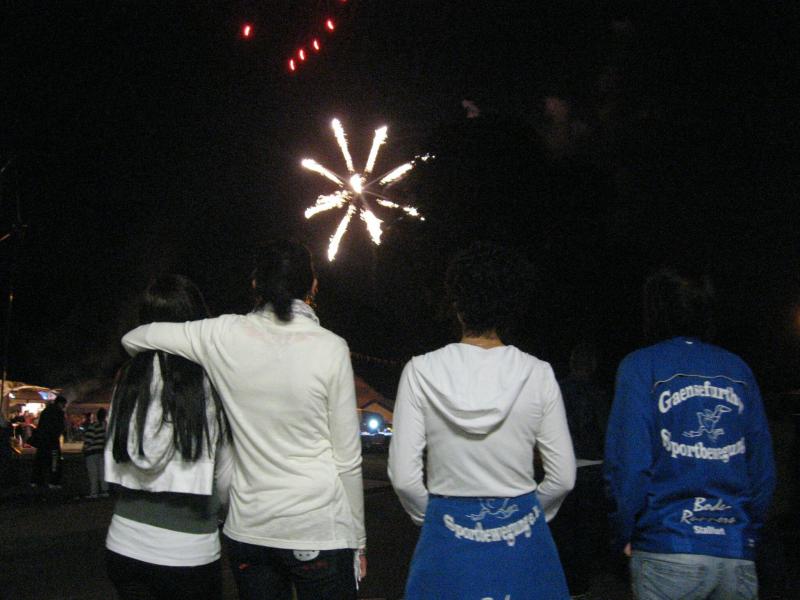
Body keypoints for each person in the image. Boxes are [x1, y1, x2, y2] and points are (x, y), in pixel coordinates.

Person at [121, 240, 366, 600]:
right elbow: (347, 459)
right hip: (317, 527)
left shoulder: (222, 334)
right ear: (312, 285)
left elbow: (135, 338)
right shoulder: (330, 347)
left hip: (249, 531)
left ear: (256, 284)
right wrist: (357, 540)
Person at [388, 241, 576, 600]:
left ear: (456, 305)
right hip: (523, 543)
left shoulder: (420, 371)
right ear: (508, 307)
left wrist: (436, 520)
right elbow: (563, 477)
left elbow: (404, 479)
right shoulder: (537, 373)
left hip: (446, 544)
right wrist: (528, 513)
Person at [604, 267, 777, 600]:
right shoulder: (738, 370)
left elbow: (630, 464)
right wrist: (748, 535)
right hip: (735, 550)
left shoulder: (641, 366)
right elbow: (762, 471)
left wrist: (622, 532)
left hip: (667, 544)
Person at [105, 275, 233, 600]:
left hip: (123, 542)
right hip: (188, 551)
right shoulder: (211, 378)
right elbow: (225, 477)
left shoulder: (128, 377)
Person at [550, 342, 611, 599]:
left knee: (564, 531)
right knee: (586, 531)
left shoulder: (558, 390)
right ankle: (582, 585)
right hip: (592, 469)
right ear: (593, 366)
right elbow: (606, 431)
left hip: (563, 467)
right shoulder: (599, 394)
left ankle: (567, 584)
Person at [32, 395, 66, 489]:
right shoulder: (59, 412)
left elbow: (40, 425)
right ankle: (53, 481)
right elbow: (60, 427)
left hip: (42, 440)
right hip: (53, 440)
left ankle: (36, 481)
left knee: (40, 460)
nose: (64, 407)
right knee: (54, 461)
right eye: (64, 405)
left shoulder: (45, 411)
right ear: (60, 403)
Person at [82, 407, 108, 498]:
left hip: (91, 452)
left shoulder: (94, 426)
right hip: (101, 451)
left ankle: (94, 492)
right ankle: (104, 490)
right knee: (102, 472)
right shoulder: (106, 426)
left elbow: (89, 439)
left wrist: (84, 448)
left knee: (93, 473)